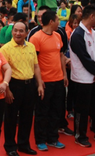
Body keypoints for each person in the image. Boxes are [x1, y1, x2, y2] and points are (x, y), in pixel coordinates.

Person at [69, 5, 95, 147]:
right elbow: (83, 57)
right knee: (82, 109)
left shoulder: (93, 33)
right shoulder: (77, 34)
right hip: (82, 78)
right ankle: (80, 135)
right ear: (92, 16)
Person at [0, 21, 43, 156]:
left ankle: (24, 144)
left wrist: (40, 84)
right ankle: (10, 146)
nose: (18, 33)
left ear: (26, 32)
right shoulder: (5, 49)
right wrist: (7, 90)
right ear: (12, 32)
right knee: (11, 118)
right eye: (15, 30)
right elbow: (1, 72)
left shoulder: (31, 46)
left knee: (27, 116)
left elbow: (36, 66)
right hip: (13, 85)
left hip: (29, 85)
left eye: (21, 31)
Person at [29, 11, 68, 151]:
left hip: (58, 80)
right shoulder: (36, 38)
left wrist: (64, 75)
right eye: (58, 20)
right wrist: (39, 81)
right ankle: (40, 139)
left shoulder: (58, 35)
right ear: (51, 21)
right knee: (42, 112)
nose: (60, 22)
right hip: (45, 81)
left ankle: (53, 138)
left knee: (56, 111)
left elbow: (61, 56)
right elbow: (34, 62)